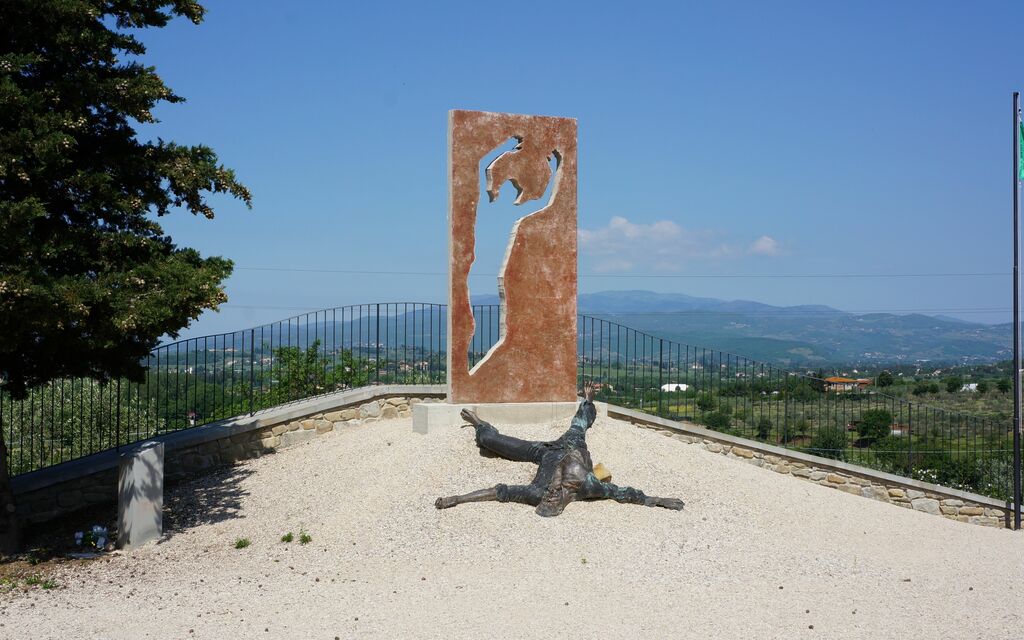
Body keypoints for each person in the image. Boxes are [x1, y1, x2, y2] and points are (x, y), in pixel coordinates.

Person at [434, 382, 686, 517]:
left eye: (546, 501)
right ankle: (588, 401)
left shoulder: (534, 492)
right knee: (579, 424)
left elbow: (498, 492)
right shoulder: (588, 487)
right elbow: (624, 493)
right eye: (551, 502)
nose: (549, 497)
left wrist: (458, 499)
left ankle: (479, 424)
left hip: (543, 452)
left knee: (491, 442)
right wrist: (659, 500)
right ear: (562, 505)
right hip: (572, 446)